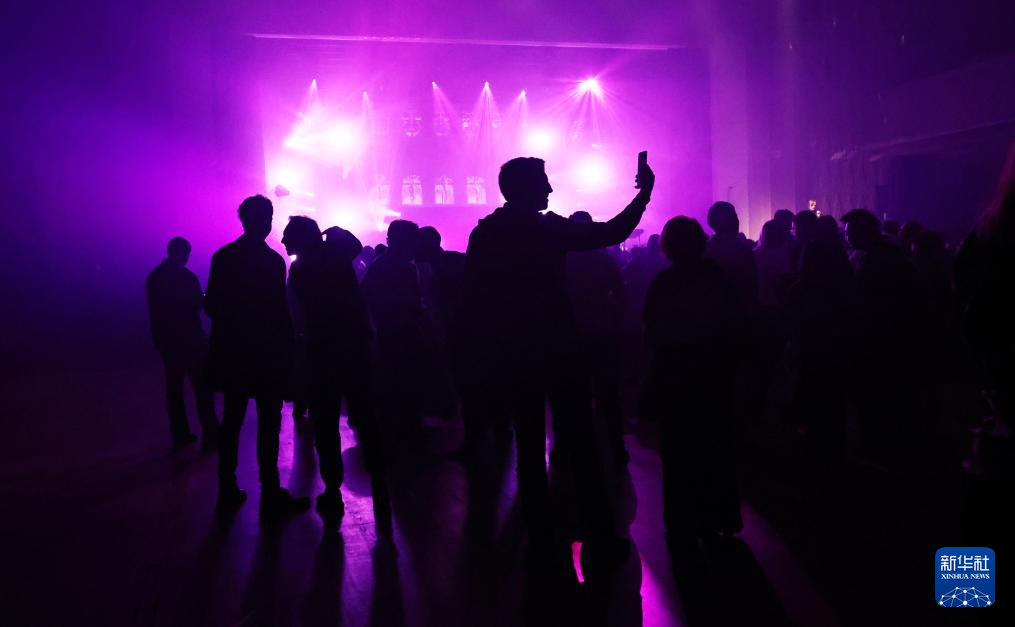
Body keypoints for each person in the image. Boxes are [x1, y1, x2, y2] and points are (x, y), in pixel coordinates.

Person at [460, 155, 654, 581]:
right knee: (580, 441)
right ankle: (600, 533)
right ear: (528, 187)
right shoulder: (546, 229)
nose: (549, 190)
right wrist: (644, 196)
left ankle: (541, 538)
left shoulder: (487, 232)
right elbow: (611, 231)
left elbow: (473, 297)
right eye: (543, 183)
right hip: (558, 345)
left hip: (515, 349)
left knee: (529, 446)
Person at [205, 195, 308, 513]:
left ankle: (226, 486)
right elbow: (279, 311)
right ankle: (270, 490)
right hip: (267, 353)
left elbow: (212, 306)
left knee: (232, 420)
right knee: (268, 421)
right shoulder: (273, 261)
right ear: (265, 220)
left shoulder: (223, 257)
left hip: (235, 352)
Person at [644, 216, 743, 542]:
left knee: (678, 451)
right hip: (714, 371)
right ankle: (723, 515)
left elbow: (653, 332)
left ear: (668, 246)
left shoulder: (664, 283)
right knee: (717, 445)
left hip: (677, 374)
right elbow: (733, 323)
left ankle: (681, 520)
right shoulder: (718, 279)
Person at [283, 216, 374, 522]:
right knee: (364, 416)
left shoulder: (299, 270)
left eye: (288, 235)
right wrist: (335, 232)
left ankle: (333, 489)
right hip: (354, 347)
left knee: (325, 424)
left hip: (321, 351)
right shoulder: (336, 255)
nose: (283, 241)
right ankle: (380, 481)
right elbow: (356, 247)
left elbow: (298, 314)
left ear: (301, 238)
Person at [565, 211, 629, 463]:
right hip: (603, 332)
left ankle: (575, 451)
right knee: (609, 393)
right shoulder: (604, 260)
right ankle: (615, 447)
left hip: (571, 336)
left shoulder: (561, 260)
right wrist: (617, 321)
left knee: (574, 396)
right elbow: (621, 295)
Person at [145, 237, 218, 450]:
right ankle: (211, 433)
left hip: (168, 340)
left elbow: (155, 312)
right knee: (202, 388)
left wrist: (159, 339)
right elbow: (198, 304)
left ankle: (180, 435)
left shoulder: (154, 277)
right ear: (184, 253)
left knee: (174, 389)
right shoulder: (187, 277)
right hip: (191, 339)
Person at [362, 220, 425, 440]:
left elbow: (364, 298)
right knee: (402, 385)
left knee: (393, 387)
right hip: (398, 333)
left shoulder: (379, 265)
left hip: (389, 333)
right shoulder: (404, 268)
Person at [705, 201, 758, 309]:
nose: (737, 220)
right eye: (734, 216)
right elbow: (751, 285)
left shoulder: (705, 249)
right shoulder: (742, 250)